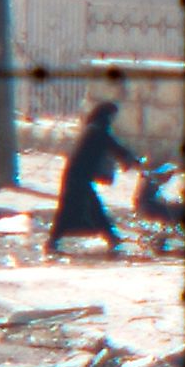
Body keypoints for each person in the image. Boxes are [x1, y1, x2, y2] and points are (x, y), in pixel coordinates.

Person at [47, 99, 130, 255]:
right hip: (78, 177)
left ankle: (111, 238)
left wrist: (127, 158)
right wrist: (131, 159)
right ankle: (111, 238)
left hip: (78, 176)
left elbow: (113, 147)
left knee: (85, 209)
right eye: (112, 116)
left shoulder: (93, 128)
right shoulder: (98, 130)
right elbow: (115, 146)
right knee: (79, 210)